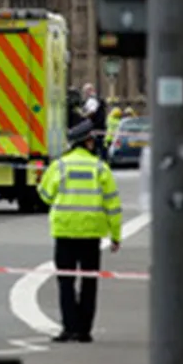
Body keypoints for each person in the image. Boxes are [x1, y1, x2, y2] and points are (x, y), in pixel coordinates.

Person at [36, 119, 123, 343]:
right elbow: (112, 204)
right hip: (91, 233)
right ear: (87, 142)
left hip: (64, 231)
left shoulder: (60, 166)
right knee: (89, 282)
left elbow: (45, 195)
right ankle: (84, 330)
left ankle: (69, 327)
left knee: (65, 282)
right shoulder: (99, 168)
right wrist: (115, 235)